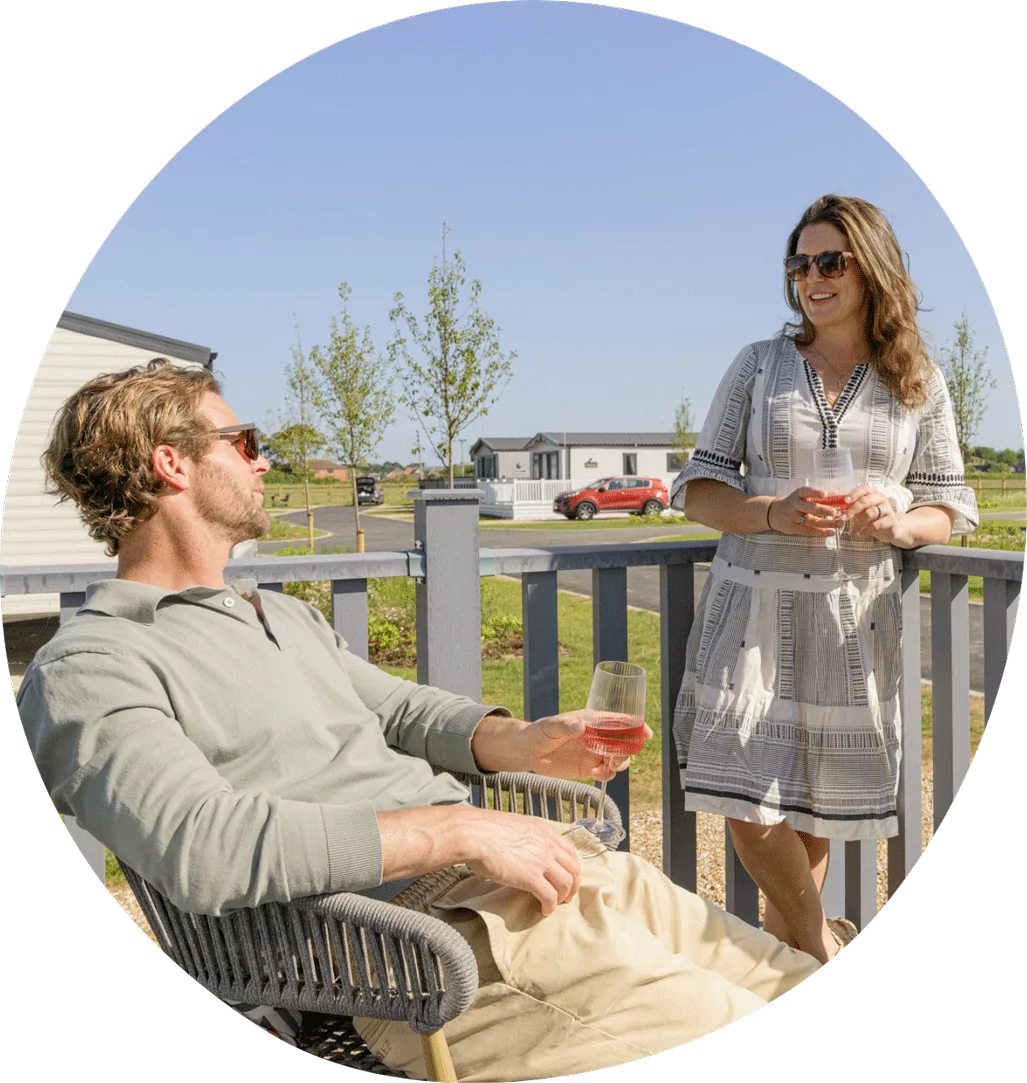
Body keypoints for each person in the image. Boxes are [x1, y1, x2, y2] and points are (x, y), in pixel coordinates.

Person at [17, 360, 820, 1082]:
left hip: (552, 877)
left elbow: (398, 708)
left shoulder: (278, 616)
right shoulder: (93, 666)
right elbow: (204, 847)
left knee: (802, 989)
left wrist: (523, 740)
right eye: (244, 440)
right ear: (172, 461)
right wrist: (456, 829)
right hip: (419, 950)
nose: (263, 460)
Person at [669, 194, 978, 965]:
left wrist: (901, 523)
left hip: (851, 616)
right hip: (752, 610)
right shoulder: (757, 366)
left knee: (807, 805)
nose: (811, 276)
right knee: (746, 794)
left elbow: (951, 500)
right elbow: (698, 487)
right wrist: (772, 511)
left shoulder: (918, 379)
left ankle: (791, 967)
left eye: (829, 261)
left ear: (870, 268)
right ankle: (821, 947)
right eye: (799, 263)